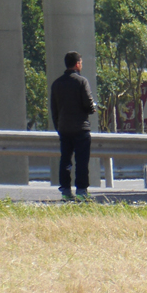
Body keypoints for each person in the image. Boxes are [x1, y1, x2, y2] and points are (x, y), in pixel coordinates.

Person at [50, 51, 98, 201]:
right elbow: (88, 105)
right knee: (81, 161)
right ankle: (82, 192)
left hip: (64, 128)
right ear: (77, 64)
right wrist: (93, 107)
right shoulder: (81, 82)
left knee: (65, 160)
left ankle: (65, 190)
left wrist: (59, 126)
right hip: (80, 128)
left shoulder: (56, 84)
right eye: (81, 63)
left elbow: (54, 109)